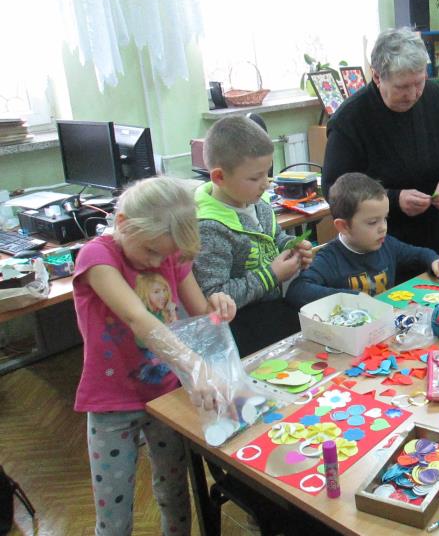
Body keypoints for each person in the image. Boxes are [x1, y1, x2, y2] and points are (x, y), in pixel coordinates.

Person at [72, 176, 237, 536]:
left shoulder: (168, 253)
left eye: (165, 254)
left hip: (165, 395)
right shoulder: (97, 257)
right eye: (151, 252)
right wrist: (193, 365)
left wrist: (219, 306)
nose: (158, 261)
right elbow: (138, 319)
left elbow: (202, 318)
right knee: (114, 513)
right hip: (111, 402)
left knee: (174, 494)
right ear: (122, 224)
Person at [321, 27, 439, 264]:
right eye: (402, 87)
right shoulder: (350, 120)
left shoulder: (434, 97)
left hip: (434, 236)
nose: (413, 94)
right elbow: (333, 190)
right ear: (377, 76)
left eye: (419, 82)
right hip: (378, 249)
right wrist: (393, 199)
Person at [194, 116, 312, 357]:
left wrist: (292, 247)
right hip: (240, 328)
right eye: (255, 178)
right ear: (219, 177)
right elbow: (214, 297)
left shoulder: (258, 202)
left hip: (272, 310)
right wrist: (272, 275)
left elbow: (274, 238)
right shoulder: (208, 227)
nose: (266, 184)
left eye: (267, 173)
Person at [286, 172, 439, 308]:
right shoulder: (330, 258)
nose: (383, 228)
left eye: (385, 218)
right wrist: (348, 297)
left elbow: (420, 254)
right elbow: (297, 291)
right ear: (343, 226)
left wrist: (435, 261)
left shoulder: (387, 244)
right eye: (373, 222)